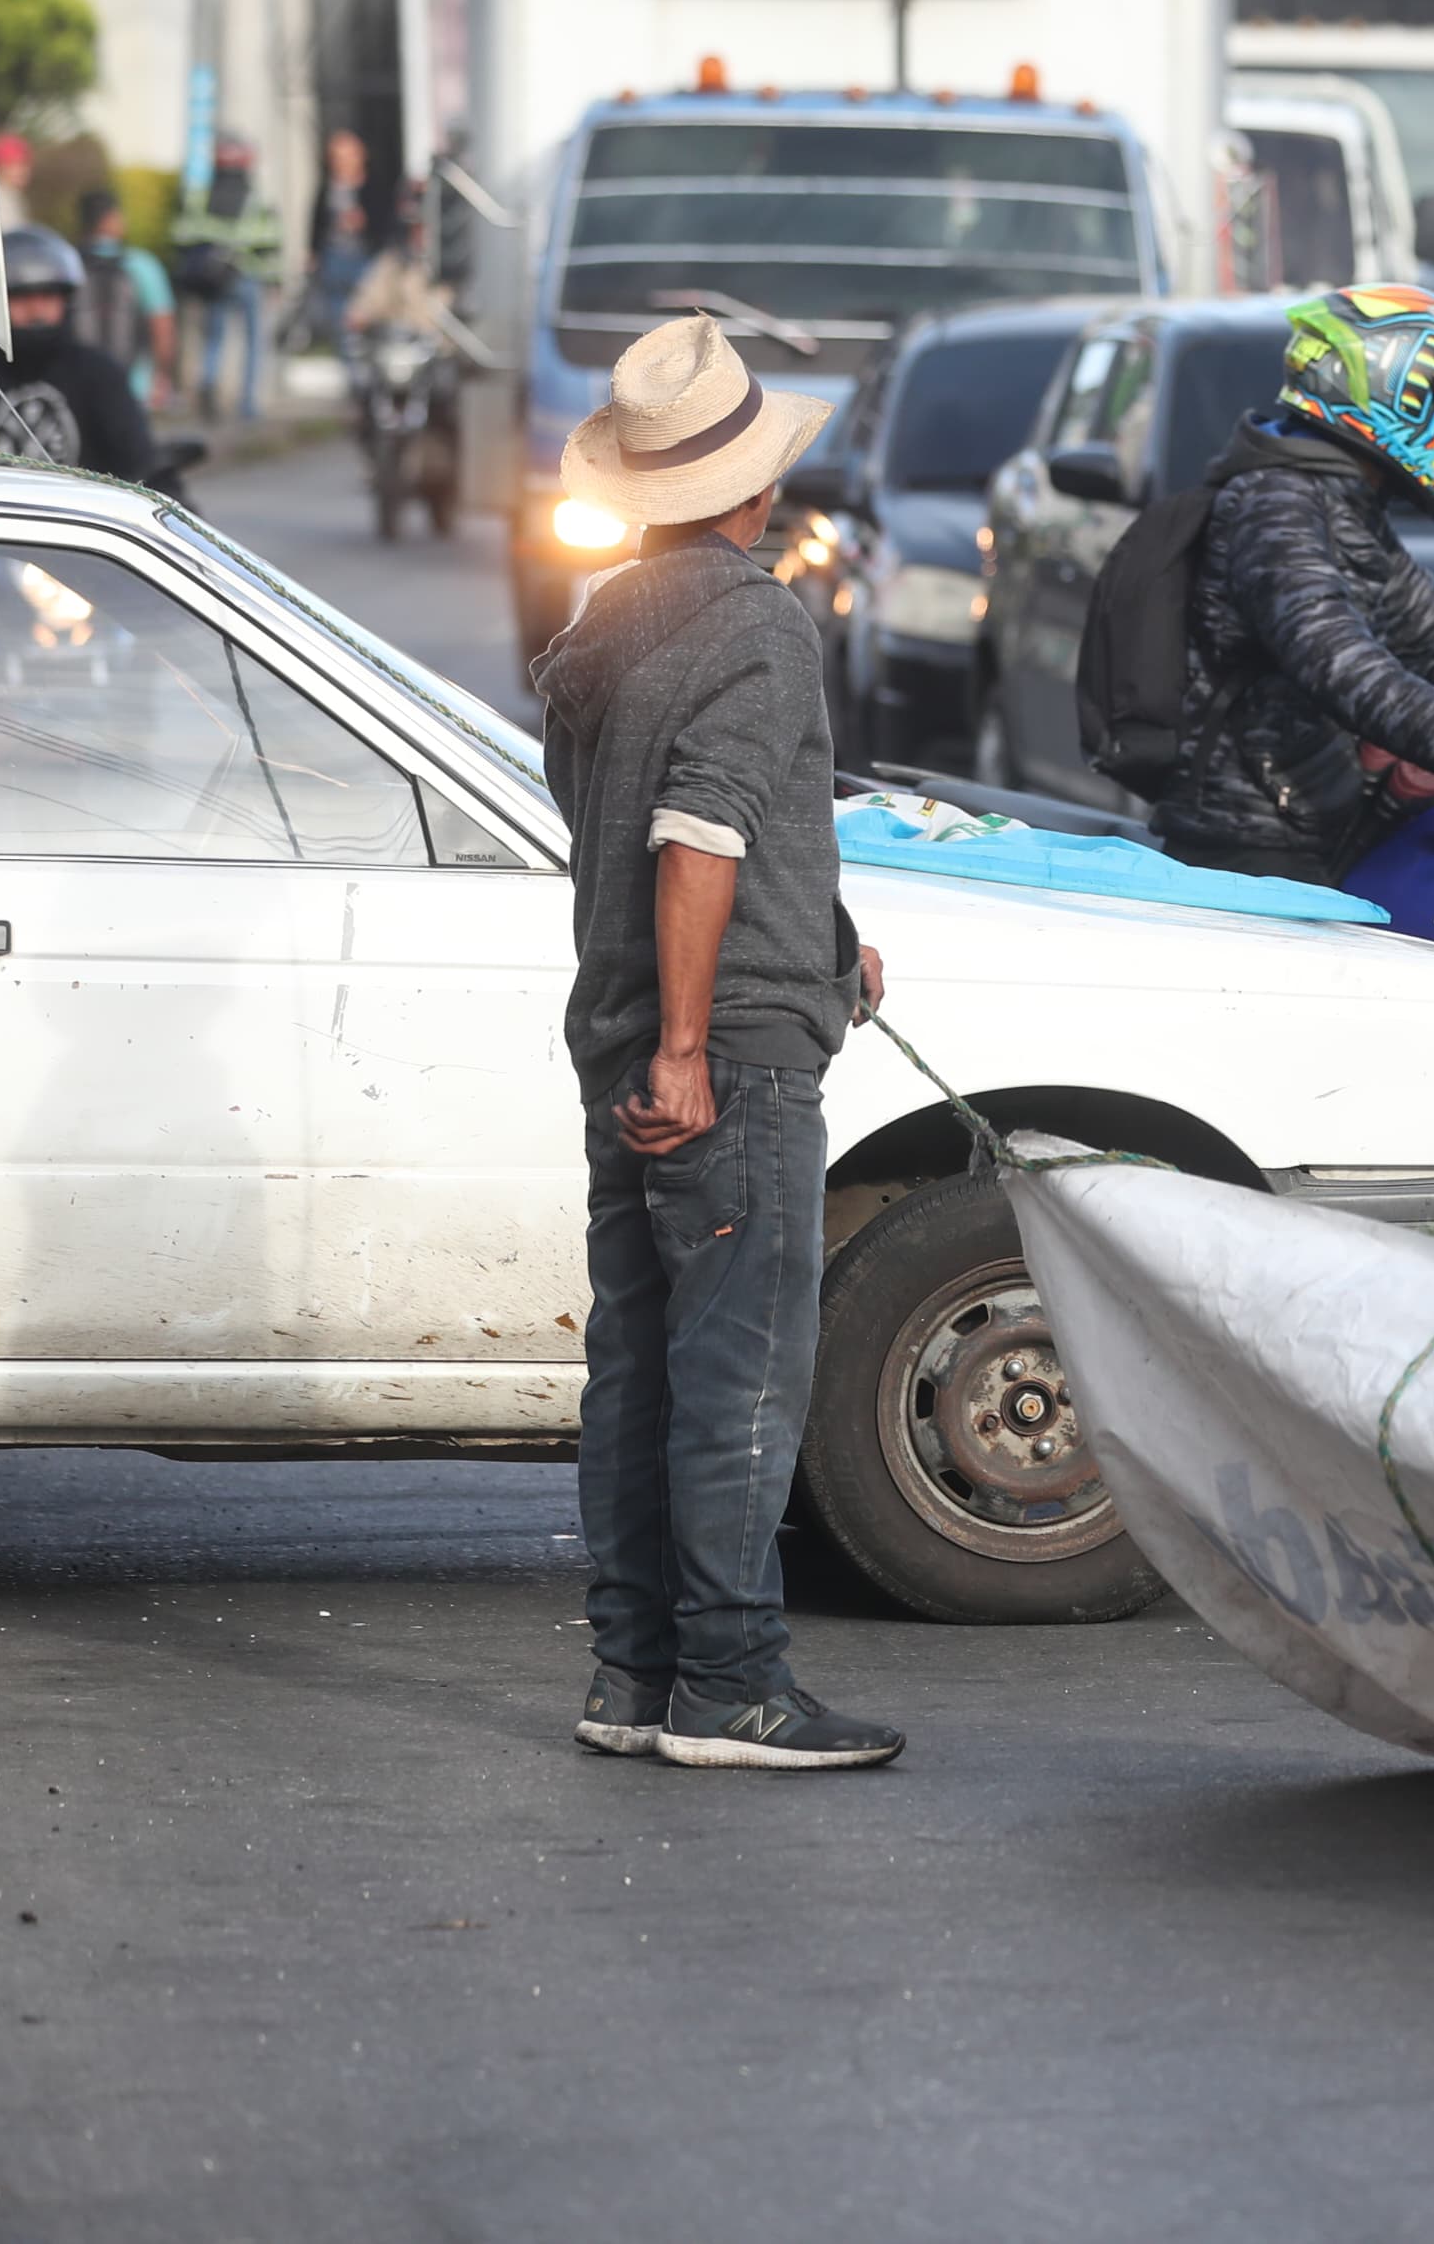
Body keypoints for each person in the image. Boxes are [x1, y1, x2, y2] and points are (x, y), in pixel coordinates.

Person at [529, 313, 903, 1773]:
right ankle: (733, 1683)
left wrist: (821, 932)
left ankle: (632, 1673)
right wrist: (695, 1041)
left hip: (622, 1023)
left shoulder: (602, 621)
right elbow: (698, 837)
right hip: (717, 1050)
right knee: (739, 1368)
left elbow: (652, 827)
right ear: (749, 487)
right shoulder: (757, 620)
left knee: (639, 1363)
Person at [1154, 284, 1434, 882]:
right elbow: (1334, 655)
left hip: (1308, 820)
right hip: (1247, 846)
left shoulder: (1338, 505)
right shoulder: (1274, 503)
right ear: (1389, 388)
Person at [0, 226, 165, 485]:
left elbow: (142, 466)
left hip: (77, 523)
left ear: (67, 300)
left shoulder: (98, 374)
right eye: (20, 297)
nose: (36, 310)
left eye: (48, 296)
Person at [171, 136, 282, 423]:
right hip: (248, 276)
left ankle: (209, 383)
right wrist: (275, 280)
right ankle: (248, 405)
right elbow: (270, 242)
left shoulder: (200, 197)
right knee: (253, 341)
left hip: (214, 279)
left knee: (214, 338)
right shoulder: (256, 200)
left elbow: (181, 236)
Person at [75, 189, 176, 412]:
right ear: (113, 219)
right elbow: (162, 327)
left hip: (77, 388)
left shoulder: (67, 265)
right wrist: (162, 377)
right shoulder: (142, 265)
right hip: (134, 388)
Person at [305, 128, 374, 355]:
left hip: (364, 256)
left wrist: (364, 221)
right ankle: (350, 365)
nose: (341, 162)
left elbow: (384, 221)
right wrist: (312, 252)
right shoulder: (328, 188)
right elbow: (316, 221)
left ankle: (367, 360)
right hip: (334, 257)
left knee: (365, 311)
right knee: (338, 315)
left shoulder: (372, 186)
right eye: (336, 157)